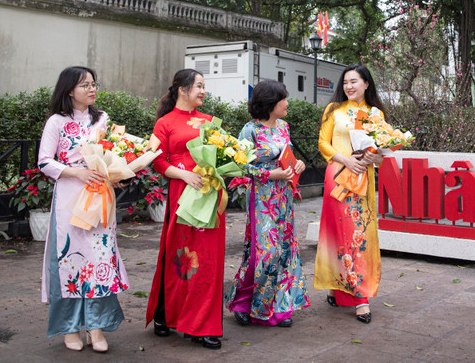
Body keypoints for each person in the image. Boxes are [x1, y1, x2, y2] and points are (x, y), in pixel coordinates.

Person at [37, 66, 128, 353]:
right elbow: (44, 161)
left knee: (100, 260)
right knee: (70, 261)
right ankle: (70, 328)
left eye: (93, 84)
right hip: (69, 198)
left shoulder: (102, 119)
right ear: (69, 90)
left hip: (100, 197)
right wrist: (77, 173)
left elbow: (111, 153)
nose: (92, 89)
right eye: (85, 85)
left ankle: (96, 327)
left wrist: (117, 172)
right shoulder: (56, 122)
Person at [145, 69, 224, 350]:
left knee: (208, 259)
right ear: (182, 89)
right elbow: (157, 160)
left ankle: (203, 325)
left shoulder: (210, 122)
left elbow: (222, 155)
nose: (203, 91)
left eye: (204, 86)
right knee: (179, 256)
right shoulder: (164, 123)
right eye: (199, 86)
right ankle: (166, 315)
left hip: (209, 195)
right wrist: (184, 175)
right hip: (182, 194)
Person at [225, 80, 309, 327]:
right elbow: (240, 165)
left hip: (284, 197)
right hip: (261, 197)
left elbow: (287, 156)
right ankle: (244, 302)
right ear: (271, 103)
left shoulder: (284, 126)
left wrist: (298, 165)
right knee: (265, 252)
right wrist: (270, 174)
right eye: (283, 99)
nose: (287, 103)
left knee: (284, 251)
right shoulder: (250, 130)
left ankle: (278, 307)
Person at [314, 64, 386, 324]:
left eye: (354, 81)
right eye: (346, 82)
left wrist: (375, 158)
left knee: (360, 236)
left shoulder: (375, 114)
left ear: (366, 84)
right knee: (340, 233)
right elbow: (323, 143)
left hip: (363, 178)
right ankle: (357, 297)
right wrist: (346, 159)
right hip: (338, 176)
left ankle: (349, 291)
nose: (349, 86)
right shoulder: (334, 110)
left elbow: (380, 150)